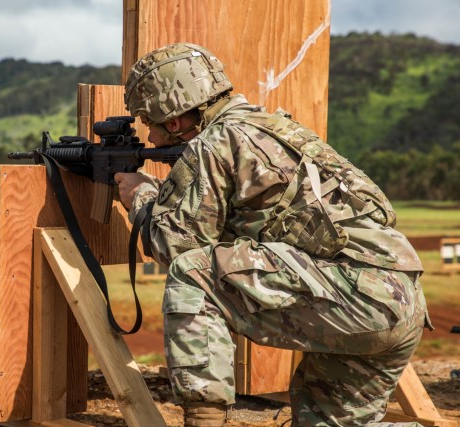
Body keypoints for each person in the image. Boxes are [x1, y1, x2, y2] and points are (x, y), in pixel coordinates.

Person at [114, 43, 432, 427]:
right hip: (401, 301)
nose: (149, 137)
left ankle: (203, 420)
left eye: (149, 122)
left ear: (176, 120)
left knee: (192, 271)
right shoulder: (274, 128)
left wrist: (142, 198)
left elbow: (176, 246)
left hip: (357, 297)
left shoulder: (214, 143)